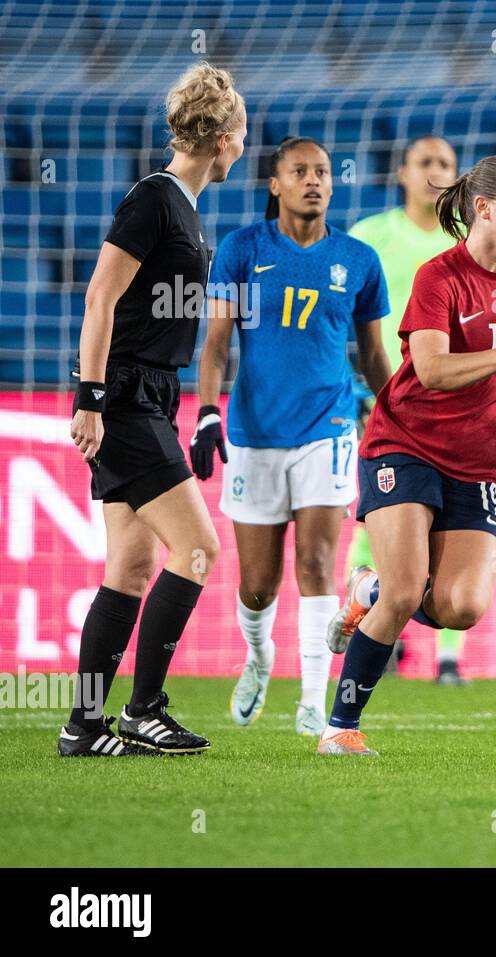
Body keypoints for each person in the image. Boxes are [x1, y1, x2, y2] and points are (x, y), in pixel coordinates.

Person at [319, 156, 496, 756]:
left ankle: (363, 591)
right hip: (406, 442)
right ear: (484, 207)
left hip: (475, 458)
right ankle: (339, 728)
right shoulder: (438, 277)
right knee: (405, 591)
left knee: (462, 607)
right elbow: (432, 369)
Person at [60, 62, 246, 757]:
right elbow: (99, 299)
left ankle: (82, 726)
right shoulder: (155, 200)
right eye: (241, 137)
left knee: (130, 567)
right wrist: (91, 399)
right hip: (127, 397)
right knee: (197, 548)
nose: (241, 148)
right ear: (224, 138)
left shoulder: (181, 208)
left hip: (149, 395)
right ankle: (144, 710)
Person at [194, 137, 391, 736]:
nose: (314, 180)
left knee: (317, 561)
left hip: (328, 426)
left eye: (323, 172)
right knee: (257, 586)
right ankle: (258, 658)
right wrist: (206, 412)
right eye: (299, 171)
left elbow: (376, 353)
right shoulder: (241, 249)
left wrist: (393, 415)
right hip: (255, 430)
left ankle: (312, 702)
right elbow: (217, 342)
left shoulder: (358, 260)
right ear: (274, 184)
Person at [346, 136, 472, 684]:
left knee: (459, 522)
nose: (436, 172)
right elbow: (348, 322)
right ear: (402, 172)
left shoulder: (472, 239)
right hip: (386, 400)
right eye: (425, 162)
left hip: (460, 404)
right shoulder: (370, 237)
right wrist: (357, 389)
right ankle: (376, 622)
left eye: (446, 163)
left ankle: (448, 660)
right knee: (378, 517)